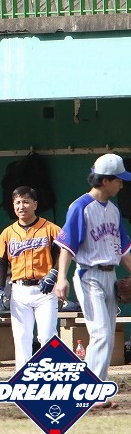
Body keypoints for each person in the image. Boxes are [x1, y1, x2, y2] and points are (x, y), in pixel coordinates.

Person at [54, 154, 131, 385]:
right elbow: (67, 246)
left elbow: (124, 250)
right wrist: (61, 278)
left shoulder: (114, 210)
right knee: (100, 333)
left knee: (108, 336)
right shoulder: (80, 207)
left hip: (110, 276)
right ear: (105, 180)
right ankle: (91, 388)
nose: (121, 184)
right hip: (89, 275)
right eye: (118, 179)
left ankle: (100, 387)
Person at [0, 186, 60, 371]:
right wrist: (0, 288)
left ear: (35, 204)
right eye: (18, 202)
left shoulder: (50, 229)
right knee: (22, 337)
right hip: (19, 291)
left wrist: (54, 273)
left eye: (26, 202)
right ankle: (23, 375)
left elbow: (65, 254)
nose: (22, 206)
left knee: (47, 335)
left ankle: (51, 374)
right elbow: (1, 262)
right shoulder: (8, 232)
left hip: (45, 289)